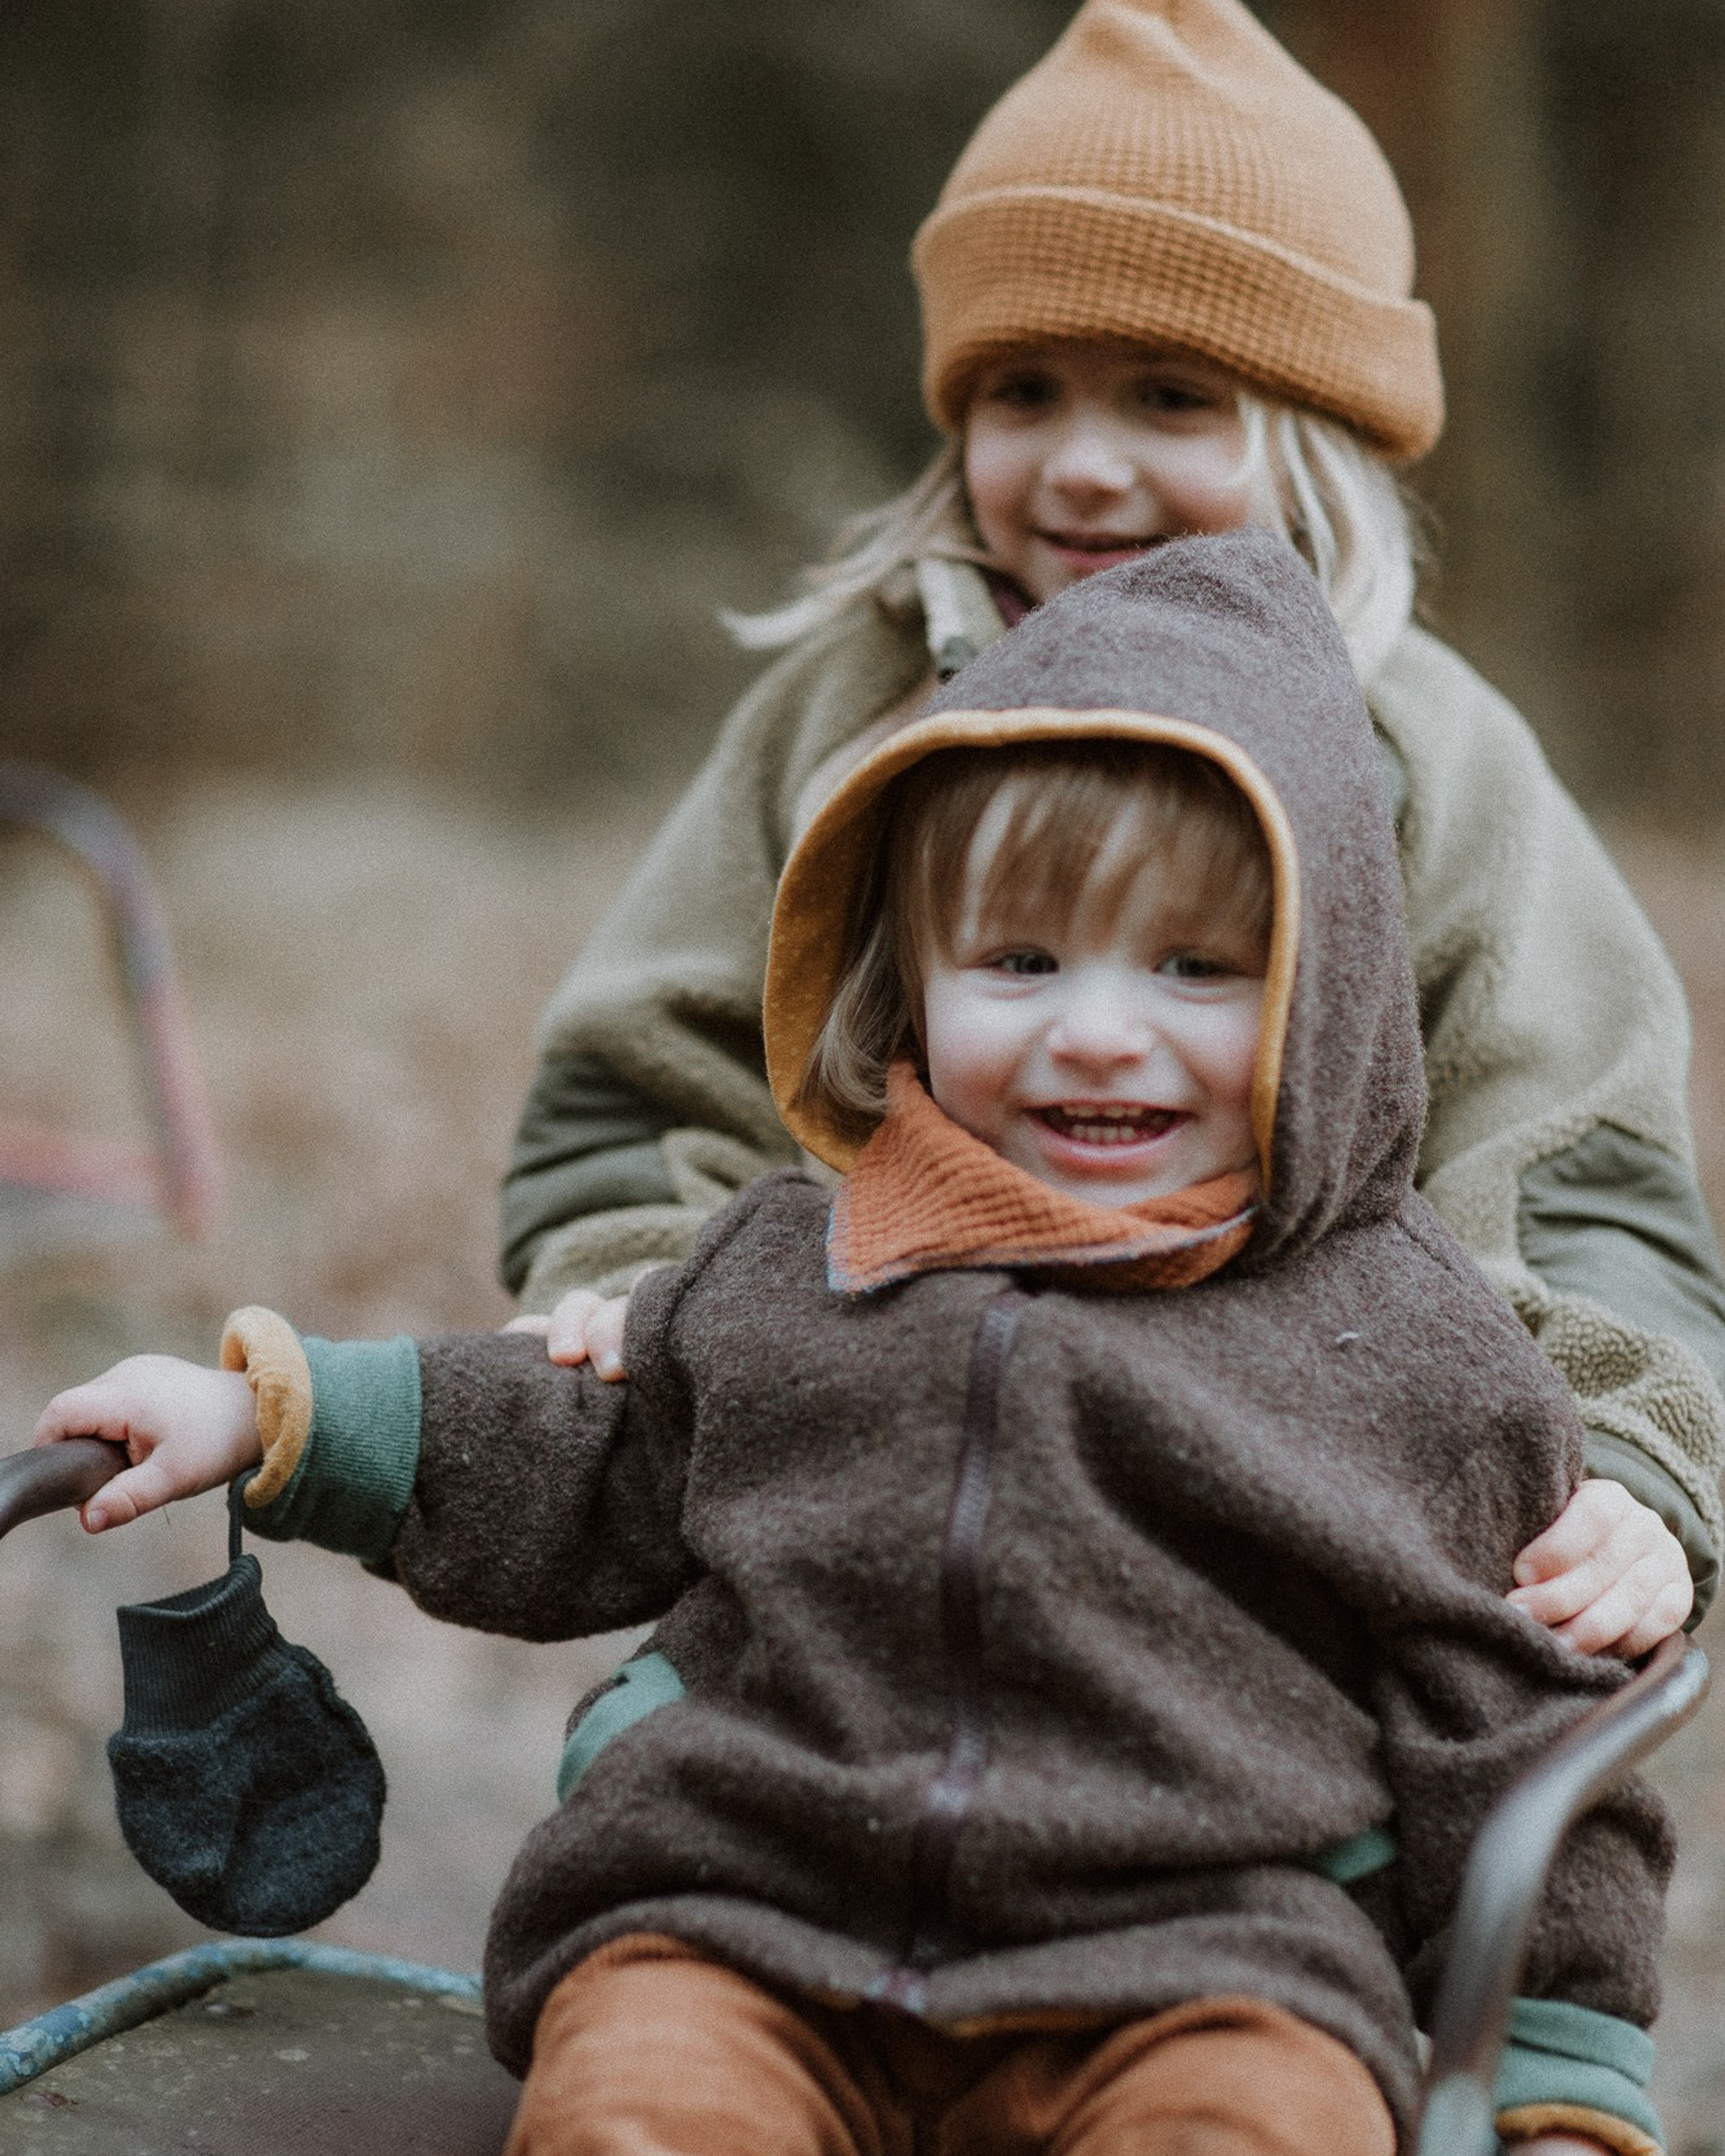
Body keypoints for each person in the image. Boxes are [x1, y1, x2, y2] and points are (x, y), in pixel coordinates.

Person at [36, 535, 1669, 2155]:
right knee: (636, 2112)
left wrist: (1562, 2079)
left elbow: (1520, 1728)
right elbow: (577, 1446)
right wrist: (268, 1419)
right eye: (1022, 962)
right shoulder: (791, 1264)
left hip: (1199, 1967)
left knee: (1261, 2127)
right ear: (912, 980)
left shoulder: (1414, 1352)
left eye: (1197, 968)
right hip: (746, 1918)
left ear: (1329, 998)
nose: (1099, 1028)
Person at [498, 0, 1725, 1649]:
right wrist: (641, 1278)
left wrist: (1630, 1459)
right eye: (1022, 393)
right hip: (874, 1494)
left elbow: (1573, 1155)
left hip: (1283, 1517)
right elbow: (649, 1070)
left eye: (1167, 398)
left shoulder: (1419, 748)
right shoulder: (855, 706)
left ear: (1316, 430)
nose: (1082, 468)